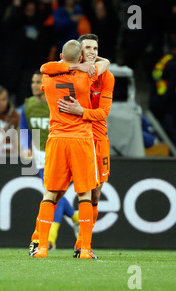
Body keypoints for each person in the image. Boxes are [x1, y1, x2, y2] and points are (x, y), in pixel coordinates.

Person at [31, 39, 109, 259]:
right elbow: (105, 64)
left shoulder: (48, 77)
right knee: (84, 194)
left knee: (50, 193)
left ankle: (42, 248)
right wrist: (82, 65)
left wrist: (69, 63)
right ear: (81, 57)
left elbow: (46, 66)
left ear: (62, 57)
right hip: (81, 140)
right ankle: (84, 249)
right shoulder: (87, 75)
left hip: (56, 140)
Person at [53, 34, 115, 258]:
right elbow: (48, 68)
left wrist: (81, 112)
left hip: (98, 138)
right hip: (74, 137)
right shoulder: (69, 72)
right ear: (79, 52)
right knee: (57, 190)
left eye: (95, 47)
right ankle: (39, 240)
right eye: (87, 47)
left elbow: (103, 114)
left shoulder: (106, 76)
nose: (92, 51)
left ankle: (82, 244)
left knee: (96, 194)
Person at [19, 70, 79, 253]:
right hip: (39, 154)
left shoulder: (57, 102)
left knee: (53, 193)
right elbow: (24, 127)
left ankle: (50, 240)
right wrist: (24, 145)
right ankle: (77, 219)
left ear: (45, 85)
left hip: (59, 152)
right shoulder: (28, 105)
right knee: (55, 194)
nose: (34, 85)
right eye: (32, 81)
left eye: (38, 82)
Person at [150, 38, 176, 156]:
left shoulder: (164, 62)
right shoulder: (175, 65)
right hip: (174, 105)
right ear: (174, 50)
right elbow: (171, 86)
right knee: (175, 133)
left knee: (171, 132)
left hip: (170, 104)